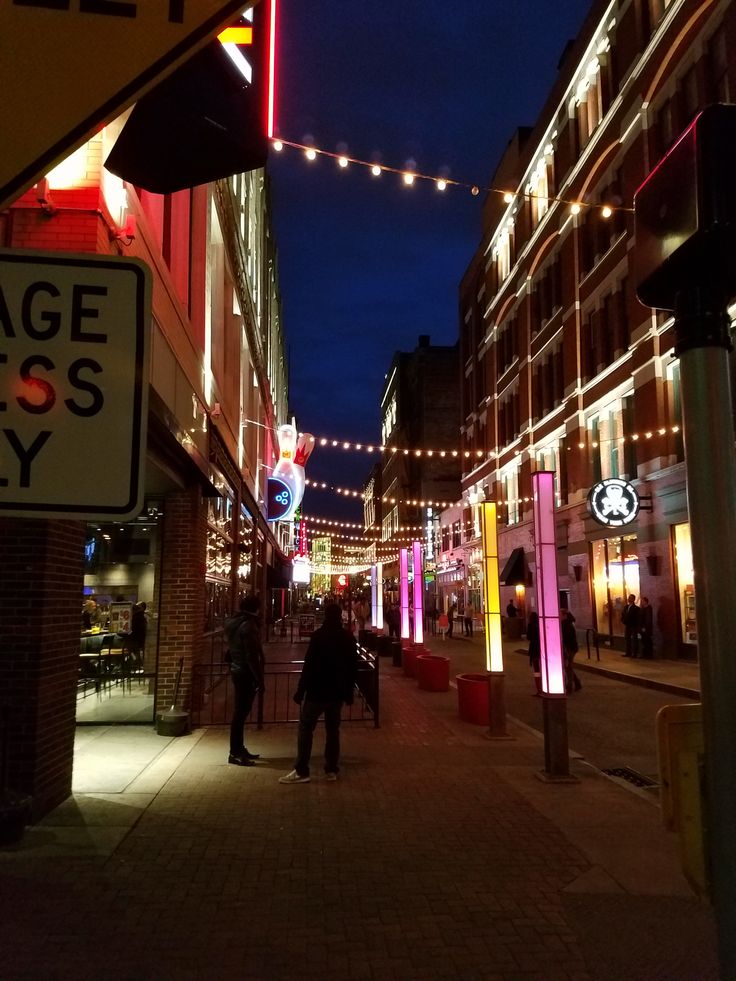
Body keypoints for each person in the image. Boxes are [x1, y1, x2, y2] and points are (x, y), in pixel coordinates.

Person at [280, 603, 358, 784]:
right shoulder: (347, 638)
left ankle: (302, 770)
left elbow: (308, 666)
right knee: (333, 731)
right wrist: (349, 692)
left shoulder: (318, 637)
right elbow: (352, 668)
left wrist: (301, 691)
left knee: (306, 728)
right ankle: (331, 769)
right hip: (337, 693)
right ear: (340, 617)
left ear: (325, 616)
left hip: (317, 690)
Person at [224, 595, 265, 766]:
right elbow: (251, 655)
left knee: (240, 713)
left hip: (238, 670)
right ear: (255, 608)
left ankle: (239, 748)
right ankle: (235, 752)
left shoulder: (236, 622)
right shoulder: (248, 626)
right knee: (240, 713)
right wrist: (259, 678)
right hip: (245, 673)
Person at [560, 608, 581, 693]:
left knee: (568, 666)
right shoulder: (565, 623)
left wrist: (566, 651)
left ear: (564, 615)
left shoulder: (567, 625)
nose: (559, 616)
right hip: (569, 647)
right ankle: (576, 682)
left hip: (570, 648)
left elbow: (567, 638)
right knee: (568, 666)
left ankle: (570, 686)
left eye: (560, 614)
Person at [527, 611, 542, 695]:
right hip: (540, 648)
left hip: (534, 649)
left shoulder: (530, 625)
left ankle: (539, 688)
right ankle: (543, 686)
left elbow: (529, 637)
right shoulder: (539, 625)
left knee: (536, 669)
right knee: (541, 667)